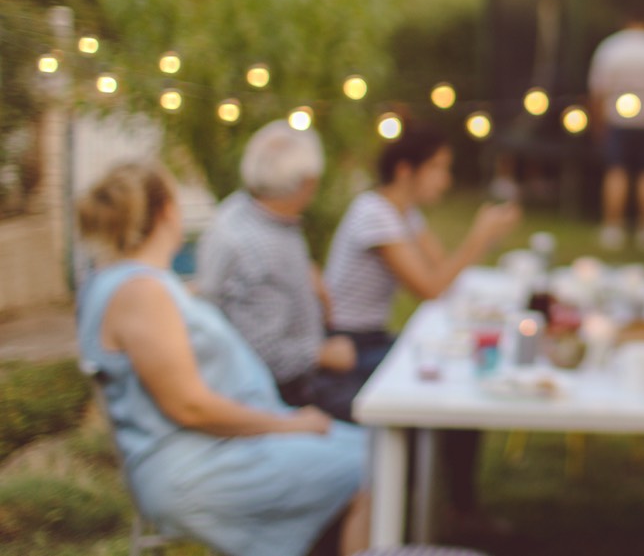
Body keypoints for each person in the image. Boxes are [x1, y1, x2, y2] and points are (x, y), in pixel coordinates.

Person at [75, 161, 369, 556]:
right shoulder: (141, 293)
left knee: (372, 447)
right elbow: (190, 407)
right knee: (376, 466)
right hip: (196, 467)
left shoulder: (130, 281)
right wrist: (287, 424)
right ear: (166, 213)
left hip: (214, 452)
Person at [322, 123, 521, 530]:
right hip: (348, 345)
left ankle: (455, 507)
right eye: (438, 168)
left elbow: (442, 274)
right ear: (405, 171)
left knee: (462, 377)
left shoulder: (403, 213)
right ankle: (434, 512)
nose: (445, 181)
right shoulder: (373, 214)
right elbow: (430, 288)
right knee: (450, 382)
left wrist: (476, 245)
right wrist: (478, 238)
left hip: (370, 338)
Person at [195, 121, 359, 420]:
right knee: (397, 413)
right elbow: (262, 355)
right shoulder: (260, 247)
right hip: (282, 397)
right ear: (307, 183)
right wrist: (323, 354)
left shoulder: (240, 210)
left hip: (286, 376)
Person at [587, 22, 644, 251]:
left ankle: (613, 228)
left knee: (616, 171)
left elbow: (598, 90)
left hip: (618, 120)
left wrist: (598, 125)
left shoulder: (611, 47)